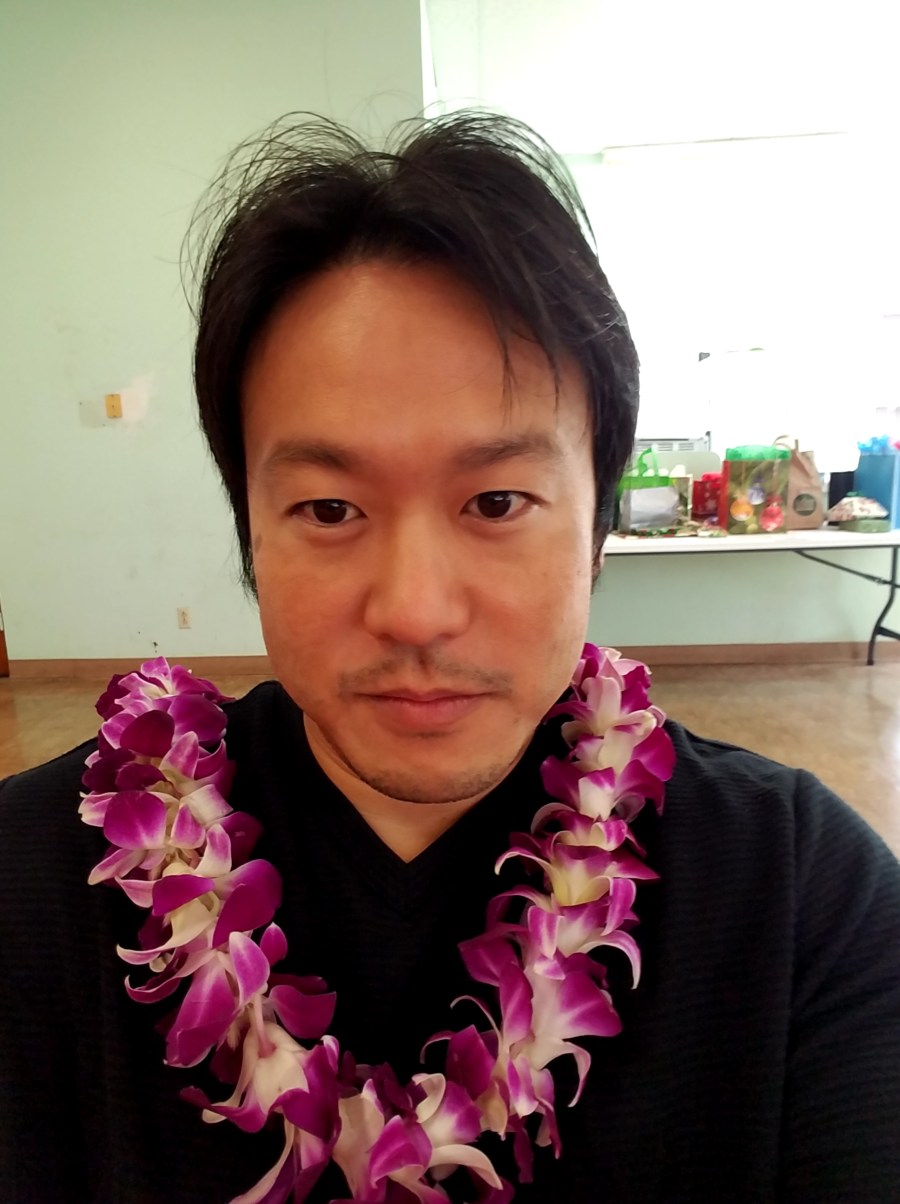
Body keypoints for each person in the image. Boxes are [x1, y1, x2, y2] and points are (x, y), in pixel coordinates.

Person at [1, 110, 899, 1204]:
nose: (415, 612)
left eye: (498, 501)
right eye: (329, 508)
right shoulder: (29, 886)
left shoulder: (801, 895)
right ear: (249, 529)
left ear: (598, 524)